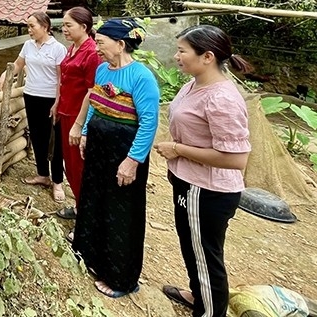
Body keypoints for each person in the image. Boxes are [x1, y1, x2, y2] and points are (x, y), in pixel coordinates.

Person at [154, 25, 253, 317]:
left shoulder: (222, 99)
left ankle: (210, 311)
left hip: (207, 191)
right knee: (194, 248)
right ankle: (199, 295)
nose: (177, 56)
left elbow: (237, 159)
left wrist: (178, 149)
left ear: (207, 56)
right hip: (189, 183)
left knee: (206, 257)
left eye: (182, 51)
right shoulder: (193, 84)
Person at [68, 18, 160, 298]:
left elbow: (149, 123)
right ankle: (91, 257)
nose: (97, 48)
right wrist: (85, 133)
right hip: (98, 148)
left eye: (101, 43)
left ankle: (122, 278)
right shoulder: (101, 70)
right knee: (93, 200)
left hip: (123, 152)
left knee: (120, 211)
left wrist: (132, 161)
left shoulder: (141, 77)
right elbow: (95, 104)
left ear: (120, 45)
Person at [0, 11, 66, 187]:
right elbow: (18, 64)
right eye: (28, 26)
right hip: (31, 96)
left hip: (51, 99)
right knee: (37, 136)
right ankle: (42, 174)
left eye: (32, 26)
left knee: (54, 140)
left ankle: (57, 181)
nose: (29, 30)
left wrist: (58, 102)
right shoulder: (28, 45)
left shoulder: (58, 49)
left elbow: (61, 78)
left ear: (45, 27)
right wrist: (5, 76)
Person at [52, 7, 100, 213]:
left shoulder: (91, 53)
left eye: (68, 25)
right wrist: (57, 103)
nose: (64, 29)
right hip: (66, 112)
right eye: (63, 25)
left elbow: (91, 92)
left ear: (84, 27)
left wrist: (80, 125)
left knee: (79, 167)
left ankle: (86, 215)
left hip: (77, 117)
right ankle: (81, 207)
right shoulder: (73, 48)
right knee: (70, 165)